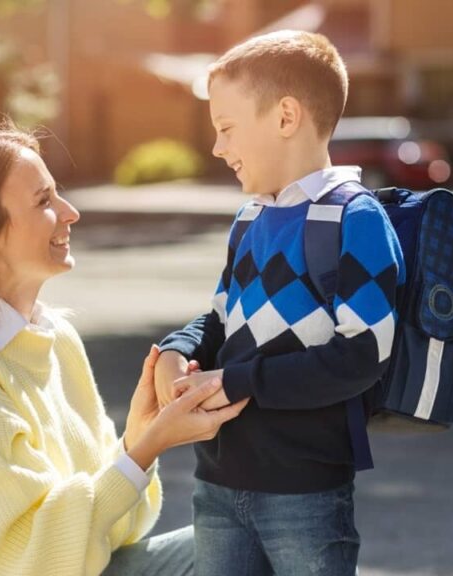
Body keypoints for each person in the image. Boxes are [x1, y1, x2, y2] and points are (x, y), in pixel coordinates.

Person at [0, 125, 249, 576]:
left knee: (256, 541)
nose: (70, 212)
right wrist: (145, 449)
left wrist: (137, 437)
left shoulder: (54, 338)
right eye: (43, 201)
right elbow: (33, 563)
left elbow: (112, 535)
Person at [154, 31, 406, 575]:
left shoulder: (354, 219)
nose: (218, 147)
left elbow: (362, 354)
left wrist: (236, 382)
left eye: (226, 129)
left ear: (286, 117)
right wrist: (178, 348)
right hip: (217, 482)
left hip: (304, 491)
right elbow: (220, 318)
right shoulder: (249, 218)